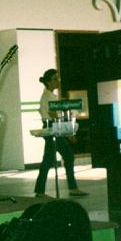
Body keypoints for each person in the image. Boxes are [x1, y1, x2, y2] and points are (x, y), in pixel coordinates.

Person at [34, 69, 88, 198]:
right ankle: (72, 188)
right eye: (54, 79)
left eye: (58, 78)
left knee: (50, 159)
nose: (58, 81)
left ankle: (40, 190)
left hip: (52, 128)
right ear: (48, 82)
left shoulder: (50, 96)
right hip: (53, 129)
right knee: (65, 156)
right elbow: (54, 117)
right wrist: (69, 134)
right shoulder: (48, 97)